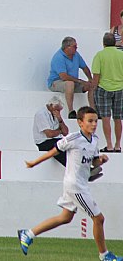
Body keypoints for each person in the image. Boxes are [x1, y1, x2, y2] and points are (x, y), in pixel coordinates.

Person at [18, 106, 121, 261]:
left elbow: (93, 162)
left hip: (81, 184)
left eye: (95, 121)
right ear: (80, 123)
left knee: (65, 217)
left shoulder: (95, 140)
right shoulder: (73, 139)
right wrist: (34, 162)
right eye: (90, 121)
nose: (93, 124)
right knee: (99, 219)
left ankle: (28, 234)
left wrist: (101, 160)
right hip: (75, 186)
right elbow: (53, 151)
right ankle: (104, 255)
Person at [47, 36, 95, 119]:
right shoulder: (59, 57)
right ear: (67, 47)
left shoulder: (76, 55)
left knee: (90, 86)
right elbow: (64, 76)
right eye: (74, 46)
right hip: (57, 82)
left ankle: (93, 110)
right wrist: (80, 81)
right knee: (70, 84)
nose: (76, 48)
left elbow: (84, 67)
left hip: (73, 82)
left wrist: (90, 79)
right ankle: (71, 111)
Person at [92, 32, 123, 153]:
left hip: (104, 89)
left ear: (103, 43)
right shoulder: (121, 55)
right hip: (120, 88)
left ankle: (109, 144)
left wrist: (94, 87)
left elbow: (96, 76)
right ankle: (117, 145)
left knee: (105, 118)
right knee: (118, 118)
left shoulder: (99, 55)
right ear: (115, 43)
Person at [33, 96, 69, 166]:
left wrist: (60, 119)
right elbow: (49, 134)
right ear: (51, 106)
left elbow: (65, 132)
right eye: (57, 109)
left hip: (55, 140)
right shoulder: (41, 114)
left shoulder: (56, 114)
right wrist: (60, 131)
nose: (58, 112)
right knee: (59, 148)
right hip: (44, 142)